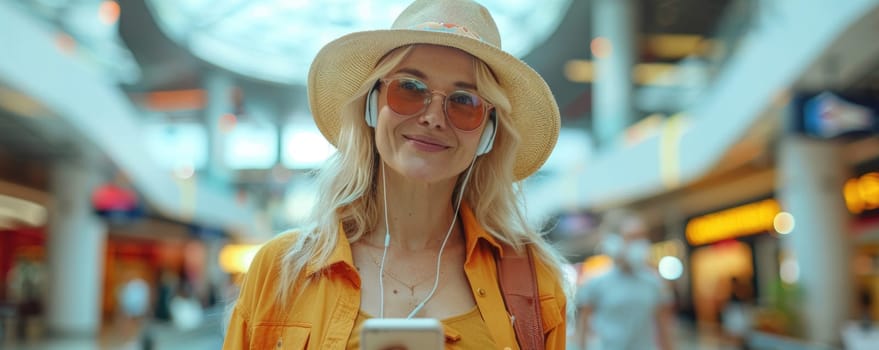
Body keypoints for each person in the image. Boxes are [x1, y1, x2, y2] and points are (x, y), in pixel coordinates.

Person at [223, 0, 571, 349]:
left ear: (488, 133)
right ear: (372, 106)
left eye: (465, 101)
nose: (434, 117)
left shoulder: (535, 283)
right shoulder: (281, 271)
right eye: (410, 88)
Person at [575, 211, 674, 350]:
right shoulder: (596, 283)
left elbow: (664, 329)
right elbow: (583, 328)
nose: (640, 243)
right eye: (632, 237)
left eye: (642, 236)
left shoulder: (654, 282)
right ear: (614, 243)